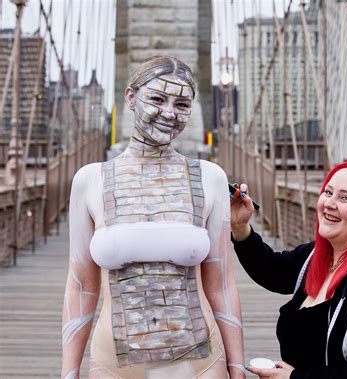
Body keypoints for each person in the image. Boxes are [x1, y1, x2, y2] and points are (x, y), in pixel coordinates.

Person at [61, 56, 245, 379]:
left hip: (201, 364)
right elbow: (80, 285)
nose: (170, 113)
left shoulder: (209, 177)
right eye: (157, 99)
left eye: (182, 104)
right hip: (113, 366)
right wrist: (68, 372)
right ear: (131, 98)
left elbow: (222, 285)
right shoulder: (90, 180)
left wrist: (238, 367)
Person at [230, 160, 347, 379]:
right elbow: (272, 270)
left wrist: (295, 378)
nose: (329, 203)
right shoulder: (319, 255)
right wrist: (240, 227)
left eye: (345, 198)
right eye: (328, 192)